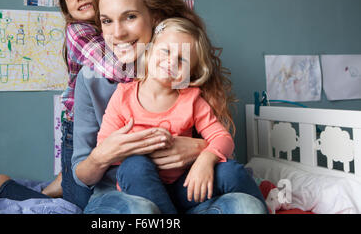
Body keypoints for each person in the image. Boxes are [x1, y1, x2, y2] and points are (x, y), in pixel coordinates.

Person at [72, 0, 268, 214]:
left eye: (130, 16)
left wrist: (199, 149)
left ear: (154, 18)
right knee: (140, 208)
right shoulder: (93, 80)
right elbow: (81, 175)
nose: (118, 32)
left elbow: (222, 150)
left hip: (184, 190)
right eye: (107, 21)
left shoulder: (185, 71)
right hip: (119, 194)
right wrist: (104, 155)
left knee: (247, 206)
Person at [0, 0, 129, 210]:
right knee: (78, 204)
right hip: (77, 124)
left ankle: (61, 181)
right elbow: (115, 70)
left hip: (107, 118)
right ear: (65, 6)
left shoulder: (112, 27)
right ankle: (5, 186)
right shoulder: (78, 31)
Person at [96, 17, 266, 213]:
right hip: (141, 187)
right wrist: (139, 147)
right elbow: (104, 146)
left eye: (182, 59)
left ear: (191, 72)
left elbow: (222, 138)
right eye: (166, 51)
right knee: (134, 166)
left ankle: (265, 207)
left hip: (184, 188)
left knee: (232, 171)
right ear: (149, 51)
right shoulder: (123, 96)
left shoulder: (191, 100)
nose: (171, 62)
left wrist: (205, 159)